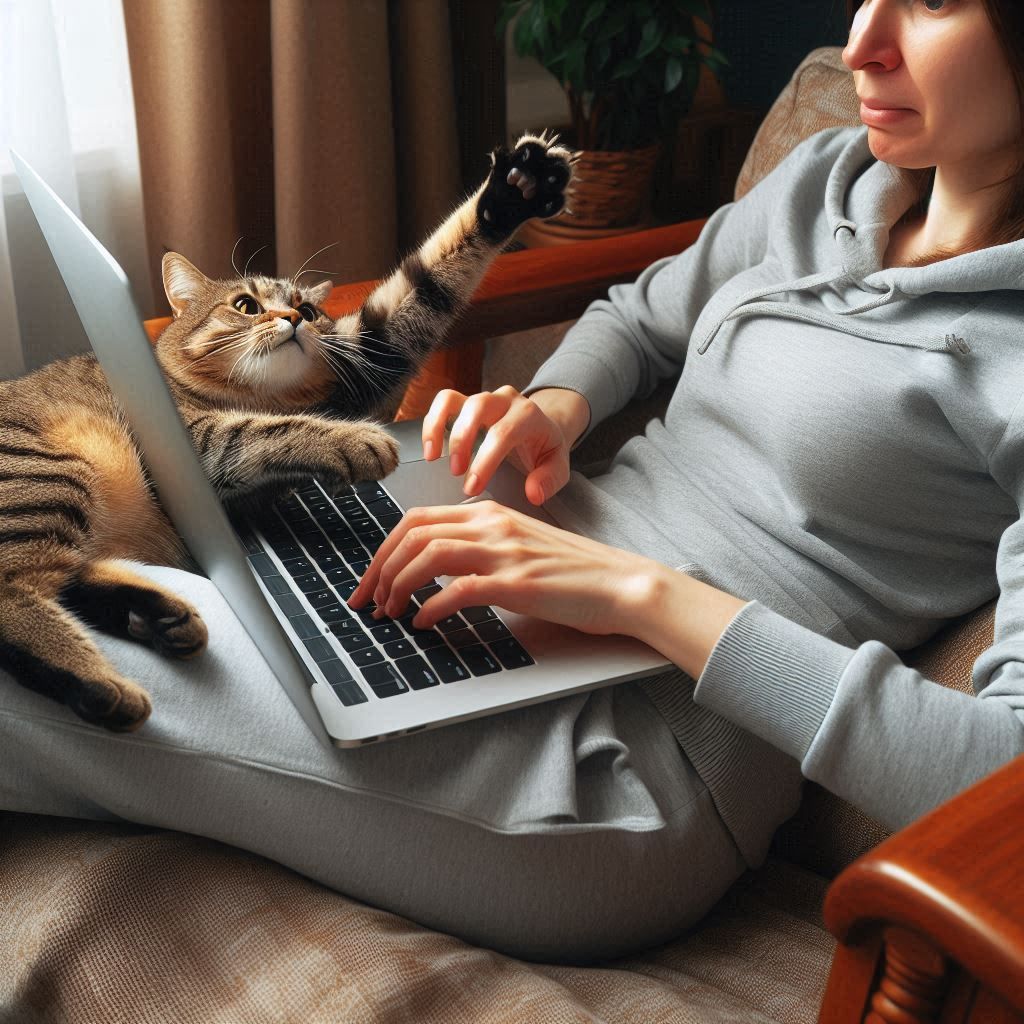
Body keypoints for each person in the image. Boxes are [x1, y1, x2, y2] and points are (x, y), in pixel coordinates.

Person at [3, 0, 1022, 967]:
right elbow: (640, 314)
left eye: (932, 3)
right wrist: (554, 407)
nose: (859, 46)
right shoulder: (829, 177)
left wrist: (640, 593)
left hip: (633, 765)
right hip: (496, 588)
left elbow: (1001, 778)